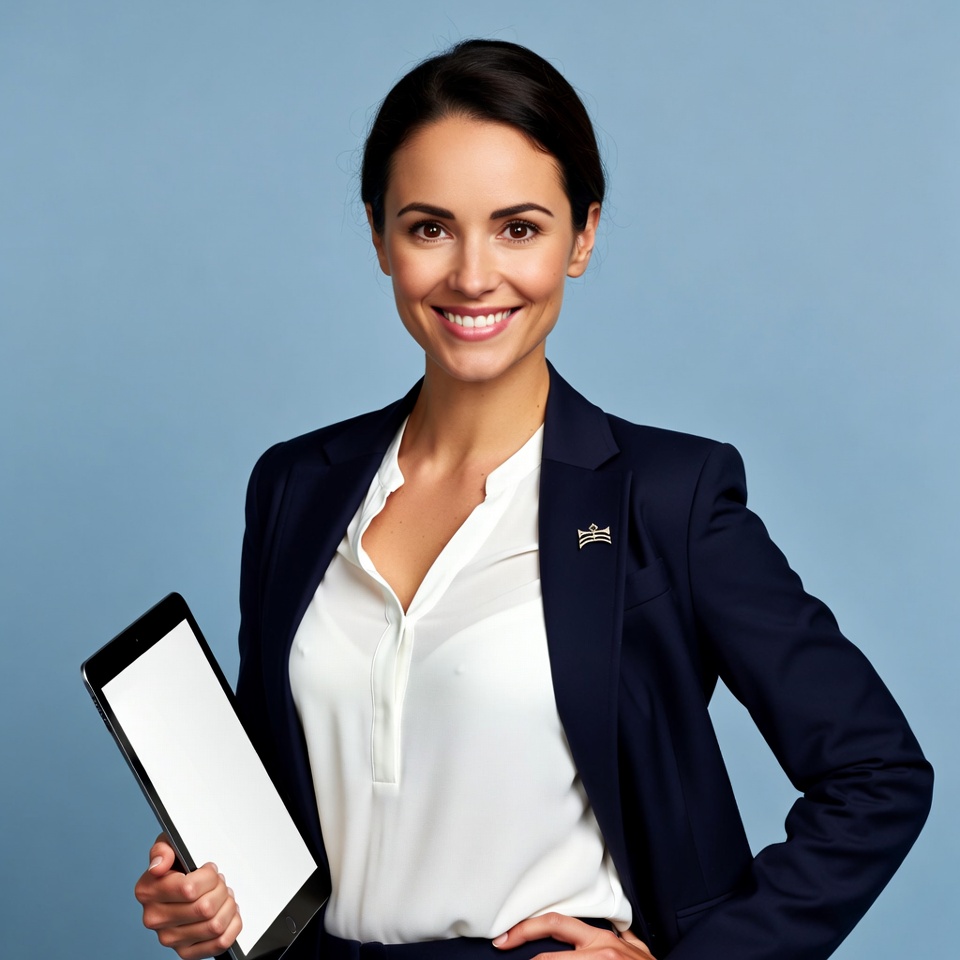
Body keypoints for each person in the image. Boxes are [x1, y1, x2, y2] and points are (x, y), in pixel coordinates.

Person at [134, 39, 932, 960]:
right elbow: (285, 783)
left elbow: (877, 773)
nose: (473, 276)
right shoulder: (296, 485)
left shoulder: (667, 499)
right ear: (378, 235)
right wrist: (206, 894)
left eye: (519, 228)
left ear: (582, 237)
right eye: (430, 227)